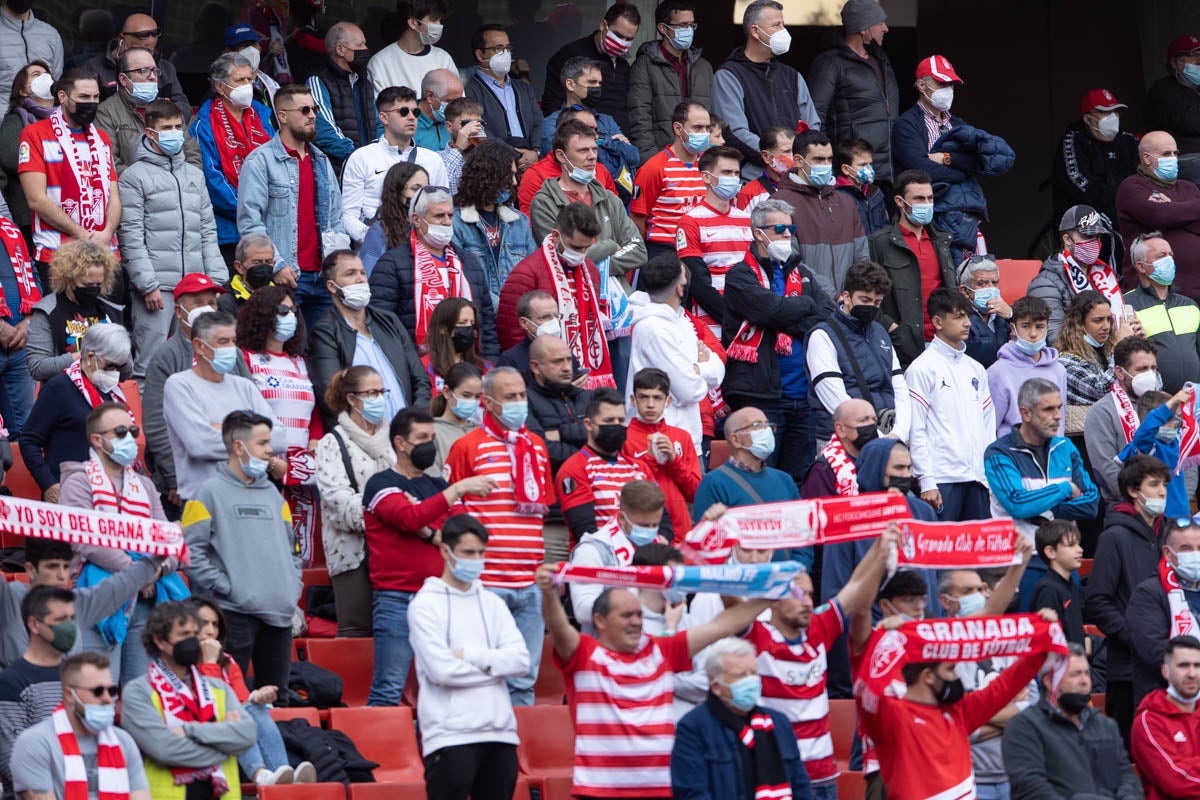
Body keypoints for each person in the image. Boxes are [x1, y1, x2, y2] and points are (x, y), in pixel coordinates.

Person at [538, 555, 776, 800]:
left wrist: (773, 596)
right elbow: (559, 629)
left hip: (661, 790)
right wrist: (549, 594)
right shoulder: (584, 654)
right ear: (599, 620)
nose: (636, 622)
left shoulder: (661, 650)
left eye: (639, 615)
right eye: (626, 615)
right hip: (600, 792)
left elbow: (721, 626)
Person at [745, 524, 899, 800]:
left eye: (810, 594)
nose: (807, 602)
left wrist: (880, 548)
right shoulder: (757, 636)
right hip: (777, 775)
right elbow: (731, 603)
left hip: (823, 777)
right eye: (797, 595)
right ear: (773, 601)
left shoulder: (818, 627)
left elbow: (854, 585)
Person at [361, 410, 494, 706]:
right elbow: (409, 518)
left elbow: (463, 533)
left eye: (432, 438)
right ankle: (373, 753)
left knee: (443, 686)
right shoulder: (380, 484)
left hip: (441, 600)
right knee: (388, 688)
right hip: (397, 599)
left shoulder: (438, 486)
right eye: (422, 438)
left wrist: (427, 532)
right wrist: (457, 490)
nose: (429, 445)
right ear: (400, 443)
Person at [857, 608, 1059, 800]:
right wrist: (880, 641)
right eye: (951, 669)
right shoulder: (893, 714)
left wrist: (1043, 639)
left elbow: (1005, 685)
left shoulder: (959, 711)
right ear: (927, 676)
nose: (957, 676)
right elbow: (866, 684)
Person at [444, 366, 555, 706]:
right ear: (488, 403)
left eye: (522, 395)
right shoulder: (467, 447)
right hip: (487, 580)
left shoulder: (535, 446)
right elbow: (451, 508)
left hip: (530, 580)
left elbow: (544, 506)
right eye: (511, 397)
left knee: (524, 680)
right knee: (482, 675)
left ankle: (518, 754)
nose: (519, 403)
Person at [58, 401, 184, 684]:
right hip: (98, 599)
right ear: (97, 439)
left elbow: (169, 540)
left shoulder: (146, 486)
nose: (130, 437)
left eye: (133, 430)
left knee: (140, 695)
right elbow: (86, 541)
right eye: (120, 431)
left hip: (146, 602)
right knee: (98, 690)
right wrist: (138, 574)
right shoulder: (79, 482)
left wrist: (154, 573)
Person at [408, 514, 527, 800]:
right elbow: (442, 671)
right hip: (449, 736)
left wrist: (470, 656)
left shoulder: (493, 603)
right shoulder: (424, 605)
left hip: (500, 734)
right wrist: (496, 667)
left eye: (481, 553)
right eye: (468, 553)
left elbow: (521, 661)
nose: (476, 559)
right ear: (445, 551)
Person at [182, 411, 300, 699]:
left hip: (280, 616)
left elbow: (292, 550)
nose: (270, 450)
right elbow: (190, 551)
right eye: (262, 443)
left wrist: (293, 587)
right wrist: (228, 588)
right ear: (238, 447)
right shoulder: (206, 493)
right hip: (233, 615)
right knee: (230, 700)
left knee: (277, 703)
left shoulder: (274, 496)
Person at [119, 98, 227, 379]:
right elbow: (131, 236)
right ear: (150, 132)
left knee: (196, 361)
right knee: (149, 366)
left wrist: (214, 279)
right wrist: (147, 284)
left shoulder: (194, 175)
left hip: (196, 287)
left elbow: (207, 230)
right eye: (167, 127)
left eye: (179, 126)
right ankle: (149, 423)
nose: (175, 132)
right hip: (157, 289)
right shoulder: (133, 177)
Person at [724, 201, 834, 474]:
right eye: (781, 228)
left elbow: (826, 315)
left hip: (803, 397)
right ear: (759, 233)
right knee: (759, 474)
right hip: (761, 395)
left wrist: (784, 314)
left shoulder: (803, 273)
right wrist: (802, 306)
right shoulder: (740, 275)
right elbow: (771, 310)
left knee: (799, 479)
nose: (788, 235)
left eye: (791, 228)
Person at [120, 601, 257, 800]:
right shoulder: (138, 692)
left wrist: (188, 731)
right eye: (184, 635)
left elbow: (248, 735)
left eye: (195, 634)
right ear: (160, 641)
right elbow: (164, 749)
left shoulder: (219, 688)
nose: (193, 641)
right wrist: (225, 746)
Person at [237, 83, 346, 331]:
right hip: (285, 276)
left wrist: (334, 267)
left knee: (324, 353)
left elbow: (336, 219)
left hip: (322, 277)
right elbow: (249, 223)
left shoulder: (321, 160)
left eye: (314, 109)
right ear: (282, 116)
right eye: (305, 109)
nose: (312, 115)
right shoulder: (260, 161)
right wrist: (275, 265)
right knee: (284, 348)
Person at [983, 377, 1099, 605]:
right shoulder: (999, 453)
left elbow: (1091, 504)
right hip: (1022, 561)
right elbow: (1017, 503)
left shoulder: (1065, 447)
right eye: (1048, 409)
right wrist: (1064, 488)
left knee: (1068, 635)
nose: (1057, 416)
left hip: (1064, 559)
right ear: (1025, 413)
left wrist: (1043, 511)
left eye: (1059, 408)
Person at [892, 54, 1015, 257]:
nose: (948, 90)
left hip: (964, 220)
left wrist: (946, 159)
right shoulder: (906, 124)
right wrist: (963, 172)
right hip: (927, 219)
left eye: (951, 84)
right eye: (941, 83)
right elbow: (921, 171)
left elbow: (977, 161)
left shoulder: (957, 123)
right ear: (922, 86)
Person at [189, 595, 316, 786]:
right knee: (239, 712)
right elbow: (209, 703)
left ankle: (281, 774)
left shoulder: (227, 661)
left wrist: (257, 696)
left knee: (255, 708)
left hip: (232, 731)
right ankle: (260, 774)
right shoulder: (179, 664)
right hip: (199, 731)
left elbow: (241, 701)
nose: (210, 631)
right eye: (203, 623)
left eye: (215, 625)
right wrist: (209, 663)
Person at [237, 287, 322, 565]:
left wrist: (314, 445)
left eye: (292, 311)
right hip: (263, 468)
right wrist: (271, 462)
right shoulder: (245, 358)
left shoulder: (300, 362)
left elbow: (314, 412)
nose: (290, 317)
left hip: (302, 472)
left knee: (299, 556)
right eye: (281, 311)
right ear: (263, 316)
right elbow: (240, 413)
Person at [162, 311, 286, 500]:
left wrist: (221, 429)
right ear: (199, 346)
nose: (231, 349)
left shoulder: (245, 386)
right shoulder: (179, 385)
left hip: (252, 498)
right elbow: (199, 445)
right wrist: (256, 438)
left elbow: (279, 439)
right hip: (203, 502)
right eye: (222, 342)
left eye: (233, 341)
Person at [672, 638, 815, 800]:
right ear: (716, 686)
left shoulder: (778, 723)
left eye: (753, 673)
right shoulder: (693, 727)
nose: (750, 681)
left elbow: (800, 786)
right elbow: (692, 792)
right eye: (740, 676)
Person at [1089, 454, 1171, 731]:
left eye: (1164, 485)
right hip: (1128, 672)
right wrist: (1137, 636)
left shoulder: (1169, 537)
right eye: (1154, 484)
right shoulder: (1113, 537)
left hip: (1172, 668)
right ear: (1134, 491)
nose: (1162, 492)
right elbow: (1098, 602)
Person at [313, 365, 395, 638]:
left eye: (382, 392)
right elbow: (338, 502)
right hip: (353, 556)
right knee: (358, 635)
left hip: (393, 551)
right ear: (351, 399)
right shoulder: (332, 443)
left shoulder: (392, 440)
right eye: (371, 393)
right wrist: (390, 511)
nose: (379, 399)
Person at [308, 250, 431, 430]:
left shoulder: (390, 321)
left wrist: (415, 423)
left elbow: (420, 379)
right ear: (332, 286)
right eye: (350, 274)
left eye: (362, 273)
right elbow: (331, 397)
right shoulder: (324, 333)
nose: (360, 279)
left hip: (407, 436)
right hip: (364, 442)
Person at [18, 68, 120, 284]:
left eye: (95, 97)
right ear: (62, 97)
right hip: (57, 255)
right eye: (83, 97)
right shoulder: (35, 134)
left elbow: (114, 196)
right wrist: (82, 234)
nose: (91, 103)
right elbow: (36, 199)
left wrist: (108, 232)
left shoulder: (102, 138)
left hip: (105, 253)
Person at [370, 186, 498, 356]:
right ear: (416, 220)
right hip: (418, 367)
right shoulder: (391, 264)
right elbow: (382, 324)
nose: (446, 221)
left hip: (469, 366)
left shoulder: (468, 263)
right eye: (439, 215)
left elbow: (486, 323)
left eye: (450, 215)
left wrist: (489, 363)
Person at [499, 203, 618, 386]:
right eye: (575, 247)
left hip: (582, 376)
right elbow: (512, 335)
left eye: (586, 248)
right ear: (556, 236)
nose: (581, 254)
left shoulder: (591, 271)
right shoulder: (526, 273)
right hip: (541, 380)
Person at [1004, 643, 1141, 799]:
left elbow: (1127, 778)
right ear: (1049, 682)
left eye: (1087, 673)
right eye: (1075, 674)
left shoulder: (1105, 725)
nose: (1084, 681)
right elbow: (1032, 789)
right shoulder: (1025, 727)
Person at [9, 652, 151, 800]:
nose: (108, 699)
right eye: (98, 691)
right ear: (69, 695)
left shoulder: (124, 741)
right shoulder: (34, 743)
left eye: (112, 690)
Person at [526, 119, 646, 292]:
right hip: (572, 299)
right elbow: (563, 257)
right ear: (561, 156)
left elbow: (638, 251)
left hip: (618, 301)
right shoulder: (544, 202)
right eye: (583, 150)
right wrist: (610, 246)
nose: (592, 156)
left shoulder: (610, 198)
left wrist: (595, 266)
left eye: (594, 149)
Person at [905, 288, 993, 521]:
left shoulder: (976, 368)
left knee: (978, 551)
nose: (966, 323)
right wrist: (926, 480)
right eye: (958, 317)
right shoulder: (922, 368)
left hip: (977, 479)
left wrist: (989, 476)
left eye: (967, 316)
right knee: (942, 554)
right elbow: (916, 429)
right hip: (942, 479)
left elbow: (988, 427)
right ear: (937, 321)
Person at [628, 254, 725, 459]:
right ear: (680, 289)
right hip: (660, 446)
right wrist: (700, 369)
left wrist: (698, 370)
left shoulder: (683, 321)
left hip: (688, 439)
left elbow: (718, 370)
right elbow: (691, 390)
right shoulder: (653, 329)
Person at [20, 323, 129, 504]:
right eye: (111, 366)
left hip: (106, 498)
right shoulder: (59, 387)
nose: (116, 373)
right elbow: (29, 440)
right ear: (91, 357)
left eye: (120, 367)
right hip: (66, 496)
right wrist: (49, 484)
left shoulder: (112, 393)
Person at [806, 259, 908, 448]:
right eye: (865, 300)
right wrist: (876, 437)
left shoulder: (880, 332)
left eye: (877, 302)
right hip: (841, 440)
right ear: (846, 296)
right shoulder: (822, 336)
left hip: (888, 437)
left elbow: (899, 387)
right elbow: (833, 396)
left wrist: (899, 432)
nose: (871, 307)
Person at [712, 0, 820, 173]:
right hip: (755, 178)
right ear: (755, 31)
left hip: (798, 177)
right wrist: (778, 157)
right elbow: (735, 132)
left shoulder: (792, 76)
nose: (783, 31)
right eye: (776, 25)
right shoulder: (729, 75)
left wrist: (797, 158)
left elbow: (812, 126)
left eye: (783, 24)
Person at [189, 52, 275, 261]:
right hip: (228, 232)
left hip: (269, 226)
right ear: (219, 86)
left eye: (249, 79)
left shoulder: (262, 116)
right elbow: (212, 179)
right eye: (240, 80)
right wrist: (250, 211)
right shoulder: (204, 126)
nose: (248, 85)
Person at [341, 85, 447, 246]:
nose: (412, 117)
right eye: (404, 112)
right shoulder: (361, 157)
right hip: (376, 250)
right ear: (384, 118)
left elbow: (442, 209)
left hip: (423, 249)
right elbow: (349, 216)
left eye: (415, 112)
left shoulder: (433, 159)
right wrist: (376, 240)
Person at [870, 169, 956, 367]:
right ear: (900, 202)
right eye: (918, 198)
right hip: (903, 347)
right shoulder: (879, 243)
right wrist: (892, 329)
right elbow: (869, 294)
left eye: (929, 198)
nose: (926, 204)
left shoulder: (941, 241)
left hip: (943, 341)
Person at [808, 0, 898, 188]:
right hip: (851, 172)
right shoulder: (830, 63)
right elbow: (815, 117)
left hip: (886, 171)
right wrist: (826, 165)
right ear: (863, 27)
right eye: (880, 23)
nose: (886, 29)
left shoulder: (881, 59)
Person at [771, 129, 868, 302]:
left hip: (848, 306)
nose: (825, 165)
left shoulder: (846, 202)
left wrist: (857, 298)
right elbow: (790, 262)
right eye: (818, 159)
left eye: (829, 159)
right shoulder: (779, 204)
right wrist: (834, 297)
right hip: (806, 305)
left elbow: (862, 259)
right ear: (799, 161)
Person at [566, 480, 668, 635]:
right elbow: (583, 610)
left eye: (656, 525)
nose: (651, 532)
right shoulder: (592, 549)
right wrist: (642, 597)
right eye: (644, 526)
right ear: (621, 518)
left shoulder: (659, 546)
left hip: (658, 641)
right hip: (607, 648)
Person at [691, 407, 803, 544]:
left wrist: (800, 563)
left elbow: (801, 532)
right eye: (757, 426)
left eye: (768, 425)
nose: (766, 431)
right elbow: (705, 540)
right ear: (736, 439)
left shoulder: (785, 480)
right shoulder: (713, 483)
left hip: (787, 565)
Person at [676, 145, 752, 340]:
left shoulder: (747, 219)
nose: (734, 178)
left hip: (751, 321)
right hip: (712, 327)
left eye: (736, 173)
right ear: (706, 177)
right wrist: (732, 319)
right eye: (726, 172)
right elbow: (698, 283)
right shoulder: (690, 221)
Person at [556, 387, 650, 542]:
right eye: (608, 421)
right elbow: (583, 529)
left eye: (621, 421)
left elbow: (662, 516)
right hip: (597, 558)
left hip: (640, 558)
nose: (616, 425)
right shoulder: (574, 468)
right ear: (588, 424)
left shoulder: (639, 468)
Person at [627, 0, 713, 166]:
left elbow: (713, 117)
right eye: (682, 25)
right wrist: (654, 162)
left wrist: (708, 159)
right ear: (663, 28)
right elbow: (639, 117)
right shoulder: (645, 65)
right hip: (661, 157)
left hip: (697, 160)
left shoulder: (704, 67)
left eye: (691, 25)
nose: (688, 30)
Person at [452, 139, 536, 307]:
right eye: (508, 176)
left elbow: (533, 274)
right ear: (487, 175)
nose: (514, 182)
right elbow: (461, 279)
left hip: (516, 318)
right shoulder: (455, 223)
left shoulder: (519, 221)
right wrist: (503, 308)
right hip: (479, 317)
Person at [1118, 132, 1200, 299]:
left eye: (1175, 153)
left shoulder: (1189, 187)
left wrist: (1172, 207)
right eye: (1166, 154)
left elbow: (1168, 215)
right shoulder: (1132, 186)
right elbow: (1159, 216)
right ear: (1147, 158)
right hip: (1153, 295)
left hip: (1194, 292)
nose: (1173, 158)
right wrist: (1184, 214)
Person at [24, 239, 119, 384]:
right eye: (87, 284)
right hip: (64, 395)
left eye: (98, 285)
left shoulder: (107, 310)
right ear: (68, 279)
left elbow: (126, 371)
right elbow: (38, 368)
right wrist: (82, 357)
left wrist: (119, 353)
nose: (93, 290)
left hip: (103, 395)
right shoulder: (48, 311)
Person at [1085, 336, 1165, 505]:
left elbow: (1185, 457)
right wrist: (1142, 500)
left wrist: (1175, 499)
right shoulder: (1102, 412)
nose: (1150, 375)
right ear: (1120, 372)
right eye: (1142, 369)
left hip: (1169, 504)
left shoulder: (1165, 406)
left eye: (1153, 368)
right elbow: (1106, 468)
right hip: (1124, 507)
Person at [95, 48, 201, 174]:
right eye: (143, 71)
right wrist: (146, 183)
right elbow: (110, 161)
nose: (152, 77)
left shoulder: (169, 108)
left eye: (154, 71)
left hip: (179, 188)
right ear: (123, 79)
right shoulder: (106, 112)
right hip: (134, 190)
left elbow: (192, 154)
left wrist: (186, 183)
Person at [539, 57, 638, 193]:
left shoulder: (606, 120)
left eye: (599, 83)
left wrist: (589, 146)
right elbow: (562, 163)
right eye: (592, 82)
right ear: (570, 84)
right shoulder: (551, 123)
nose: (597, 87)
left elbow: (633, 158)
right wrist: (611, 144)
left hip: (614, 198)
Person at [624, 368, 702, 540]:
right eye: (644, 397)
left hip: (680, 530)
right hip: (641, 531)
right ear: (632, 400)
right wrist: (650, 459)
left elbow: (696, 493)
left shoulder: (682, 437)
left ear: (668, 401)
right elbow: (625, 491)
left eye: (657, 398)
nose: (650, 404)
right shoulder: (623, 438)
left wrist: (674, 461)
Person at [1029, 204, 1124, 344]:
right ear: (1067, 240)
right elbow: (1055, 341)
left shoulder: (1103, 276)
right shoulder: (1046, 283)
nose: (1095, 243)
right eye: (1088, 236)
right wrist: (1112, 342)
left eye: (1097, 237)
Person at [542, 4, 639, 132]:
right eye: (618, 35)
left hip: (620, 142)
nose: (622, 43)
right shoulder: (570, 55)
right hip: (583, 140)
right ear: (603, 25)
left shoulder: (623, 64)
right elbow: (552, 104)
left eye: (629, 39)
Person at [630, 100, 708, 259]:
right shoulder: (654, 168)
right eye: (698, 128)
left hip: (702, 250)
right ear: (678, 129)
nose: (704, 133)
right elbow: (638, 219)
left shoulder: (709, 165)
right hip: (664, 253)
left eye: (708, 128)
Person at [1053, 89, 1139, 232]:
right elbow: (1077, 182)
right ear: (1087, 118)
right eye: (1105, 112)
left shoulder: (1129, 141)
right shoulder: (1074, 140)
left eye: (1116, 111)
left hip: (1128, 210)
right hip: (1088, 216)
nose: (1113, 117)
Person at [1123, 232, 1200, 391]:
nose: (1169, 260)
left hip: (1193, 402)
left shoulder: (1190, 305)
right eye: (1161, 256)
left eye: (1170, 255)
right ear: (1141, 266)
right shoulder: (1126, 305)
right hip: (1151, 401)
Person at [986, 296, 1068, 438]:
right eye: (1025, 326)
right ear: (1013, 329)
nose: (1033, 334)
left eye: (1039, 327)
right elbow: (990, 426)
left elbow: (1060, 420)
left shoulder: (1059, 370)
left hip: (1051, 454)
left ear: (1047, 328)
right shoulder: (998, 372)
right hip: (1013, 455)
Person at [1130, 635, 1200, 799]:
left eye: (1197, 665)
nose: (1192, 673)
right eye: (1183, 665)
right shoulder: (1148, 721)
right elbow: (1176, 783)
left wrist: (1188, 766)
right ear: (1165, 671)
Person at [464, 25, 542, 165]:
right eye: (498, 48)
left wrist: (535, 151)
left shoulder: (524, 88)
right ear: (480, 55)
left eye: (508, 48)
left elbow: (538, 123)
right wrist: (509, 155)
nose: (505, 54)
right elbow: (479, 129)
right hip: (495, 164)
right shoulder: (470, 90)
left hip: (530, 162)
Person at [517, 107, 618, 214]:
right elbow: (533, 225)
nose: (595, 136)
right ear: (564, 131)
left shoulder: (600, 169)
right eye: (585, 129)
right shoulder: (535, 175)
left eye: (595, 130)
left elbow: (617, 216)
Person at [306, 22, 375, 174]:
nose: (365, 49)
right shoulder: (318, 81)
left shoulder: (363, 81)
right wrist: (358, 157)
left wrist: (378, 154)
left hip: (370, 169)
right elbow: (323, 129)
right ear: (340, 49)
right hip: (337, 172)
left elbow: (378, 122)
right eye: (360, 44)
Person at [0, 61, 55, 237]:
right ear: (22, 90)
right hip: (28, 215)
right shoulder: (14, 121)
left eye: (47, 74)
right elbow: (12, 159)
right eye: (36, 75)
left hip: (66, 210)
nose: (44, 78)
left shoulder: (65, 119)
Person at [366, 0, 456, 101]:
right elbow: (378, 110)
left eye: (440, 20)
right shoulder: (380, 63)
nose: (439, 26)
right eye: (434, 20)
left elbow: (459, 101)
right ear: (413, 23)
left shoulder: (443, 58)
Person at [1056, 290, 1124, 409]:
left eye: (1109, 319)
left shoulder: (1108, 352)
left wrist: (1140, 349)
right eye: (1098, 320)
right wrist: (1121, 350)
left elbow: (1148, 385)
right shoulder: (1065, 362)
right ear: (1078, 323)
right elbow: (1102, 390)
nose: (1106, 326)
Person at [358, 162, 428, 275]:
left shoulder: (430, 227)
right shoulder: (378, 231)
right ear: (397, 191)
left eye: (426, 190)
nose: (422, 195)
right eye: (416, 189)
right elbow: (369, 276)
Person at [801, 397, 875, 499]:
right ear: (840, 429)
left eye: (874, 420)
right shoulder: (823, 470)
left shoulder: (880, 460)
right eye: (863, 420)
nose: (871, 425)